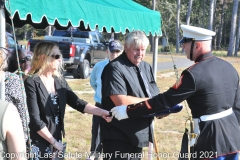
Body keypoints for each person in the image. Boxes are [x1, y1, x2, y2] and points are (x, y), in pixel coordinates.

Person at [111, 25, 240, 160]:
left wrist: (127, 111)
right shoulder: (229, 67)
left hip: (210, 141)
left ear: (197, 45)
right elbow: (237, 107)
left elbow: (164, 101)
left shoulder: (193, 74)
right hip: (234, 138)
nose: (183, 47)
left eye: (186, 43)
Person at [24, 42, 111, 160]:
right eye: (56, 56)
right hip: (39, 141)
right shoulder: (31, 82)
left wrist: (101, 112)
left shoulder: (59, 80)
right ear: (43, 58)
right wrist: (54, 142)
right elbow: (35, 120)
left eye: (60, 55)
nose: (60, 59)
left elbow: (77, 103)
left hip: (56, 140)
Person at [101, 31, 160, 160]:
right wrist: (155, 103)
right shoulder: (115, 68)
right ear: (126, 48)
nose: (140, 54)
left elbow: (154, 94)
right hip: (119, 137)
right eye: (136, 50)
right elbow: (121, 101)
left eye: (143, 50)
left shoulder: (146, 67)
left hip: (138, 135)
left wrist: (164, 107)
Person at [89, 40, 123, 157]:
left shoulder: (125, 67)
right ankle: (94, 156)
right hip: (100, 105)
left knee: (115, 137)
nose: (115, 54)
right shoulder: (99, 66)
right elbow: (93, 83)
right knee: (97, 136)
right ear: (107, 52)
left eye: (118, 52)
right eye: (112, 52)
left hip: (117, 107)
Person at [0, 47, 30, 150]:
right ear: (14, 64)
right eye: (23, 60)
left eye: (28, 58)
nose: (27, 62)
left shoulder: (23, 79)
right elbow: (24, 115)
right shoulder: (12, 79)